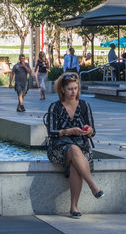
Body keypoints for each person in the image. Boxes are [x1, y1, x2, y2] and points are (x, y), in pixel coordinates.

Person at [43, 72, 102, 218]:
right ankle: (92, 185)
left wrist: (88, 131)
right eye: (70, 89)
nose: (73, 92)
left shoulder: (84, 106)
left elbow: (93, 131)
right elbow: (51, 132)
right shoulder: (55, 107)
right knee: (74, 149)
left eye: (75, 88)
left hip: (82, 147)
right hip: (59, 147)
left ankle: (73, 207)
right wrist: (69, 131)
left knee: (76, 167)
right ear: (62, 89)